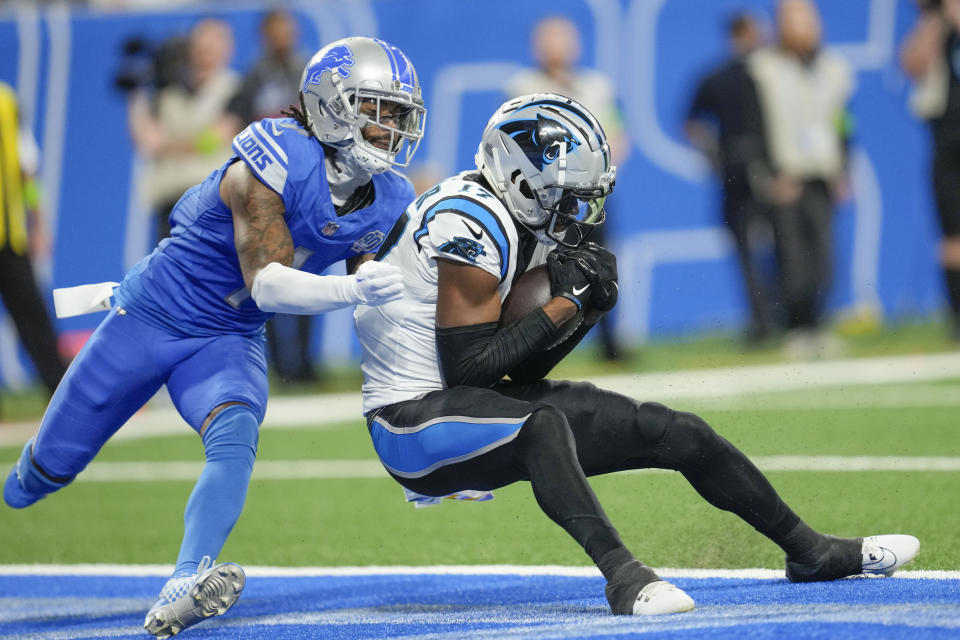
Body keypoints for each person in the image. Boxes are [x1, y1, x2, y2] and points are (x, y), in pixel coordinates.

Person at [355, 93, 918, 616]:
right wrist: (561, 308)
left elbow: (514, 373)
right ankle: (626, 579)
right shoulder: (468, 221)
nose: (578, 207)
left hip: (468, 404)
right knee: (542, 426)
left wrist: (583, 314)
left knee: (673, 430)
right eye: (567, 192)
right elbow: (470, 371)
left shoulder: (517, 217)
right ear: (523, 179)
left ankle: (810, 551)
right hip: (410, 422)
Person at [4, 36, 425, 638]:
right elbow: (270, 285)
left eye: (400, 115)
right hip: (151, 317)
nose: (392, 129)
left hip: (227, 336)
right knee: (42, 474)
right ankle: (23, 484)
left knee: (234, 436)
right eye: (378, 111)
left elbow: (376, 308)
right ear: (333, 104)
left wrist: (421, 411)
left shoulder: (387, 198)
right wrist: (355, 291)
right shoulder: (276, 154)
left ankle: (183, 581)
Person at [504, 15, 630, 360]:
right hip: (542, 201)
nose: (556, 48)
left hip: (589, 196)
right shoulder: (522, 87)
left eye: (562, 40)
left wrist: (600, 178)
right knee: (533, 269)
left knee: (600, 264)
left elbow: (616, 136)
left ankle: (610, 343)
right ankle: (527, 346)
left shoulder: (595, 86)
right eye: (549, 40)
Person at [747, 0, 854, 357]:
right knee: (791, 259)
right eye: (793, 19)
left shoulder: (834, 68)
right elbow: (753, 126)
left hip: (821, 173)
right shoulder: (762, 69)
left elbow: (843, 121)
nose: (803, 26)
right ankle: (795, 328)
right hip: (784, 178)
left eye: (808, 18)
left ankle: (818, 326)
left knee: (824, 258)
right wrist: (768, 174)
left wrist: (844, 167)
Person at [223, 10, 316, 383]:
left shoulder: (308, 74)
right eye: (274, 31)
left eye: (286, 29)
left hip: (305, 184)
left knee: (307, 270)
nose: (281, 36)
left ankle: (306, 363)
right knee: (269, 270)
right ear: (264, 35)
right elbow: (241, 131)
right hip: (268, 187)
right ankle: (279, 364)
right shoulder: (251, 79)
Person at [686, 12, 775, 345]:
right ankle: (770, 320)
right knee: (760, 249)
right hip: (752, 170)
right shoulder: (760, 76)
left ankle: (767, 320)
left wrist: (715, 155)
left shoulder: (722, 76)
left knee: (756, 251)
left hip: (739, 170)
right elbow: (692, 122)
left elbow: (691, 123)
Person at [128, 18, 240, 243]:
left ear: (227, 51)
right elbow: (147, 141)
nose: (204, 54)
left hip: (214, 201)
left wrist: (170, 145)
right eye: (199, 48)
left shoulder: (235, 89)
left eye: (211, 48)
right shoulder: (167, 92)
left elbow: (215, 138)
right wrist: (136, 92)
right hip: (171, 202)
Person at [0, 81, 68, 403]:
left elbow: (26, 169)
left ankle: (63, 399)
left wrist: (37, 222)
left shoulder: (7, 101)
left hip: (10, 236)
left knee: (34, 318)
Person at [900, 0, 960, 340]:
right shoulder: (935, 26)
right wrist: (936, 22)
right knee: (953, 234)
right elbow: (912, 64)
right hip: (949, 142)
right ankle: (957, 317)